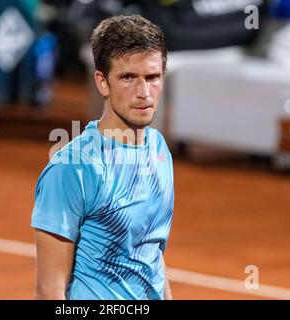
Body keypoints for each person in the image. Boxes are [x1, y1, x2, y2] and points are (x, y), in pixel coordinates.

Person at [31, 15, 175, 300]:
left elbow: (151, 254)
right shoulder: (74, 168)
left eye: (152, 77)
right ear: (103, 83)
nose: (143, 93)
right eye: (128, 78)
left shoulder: (159, 148)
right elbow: (49, 289)